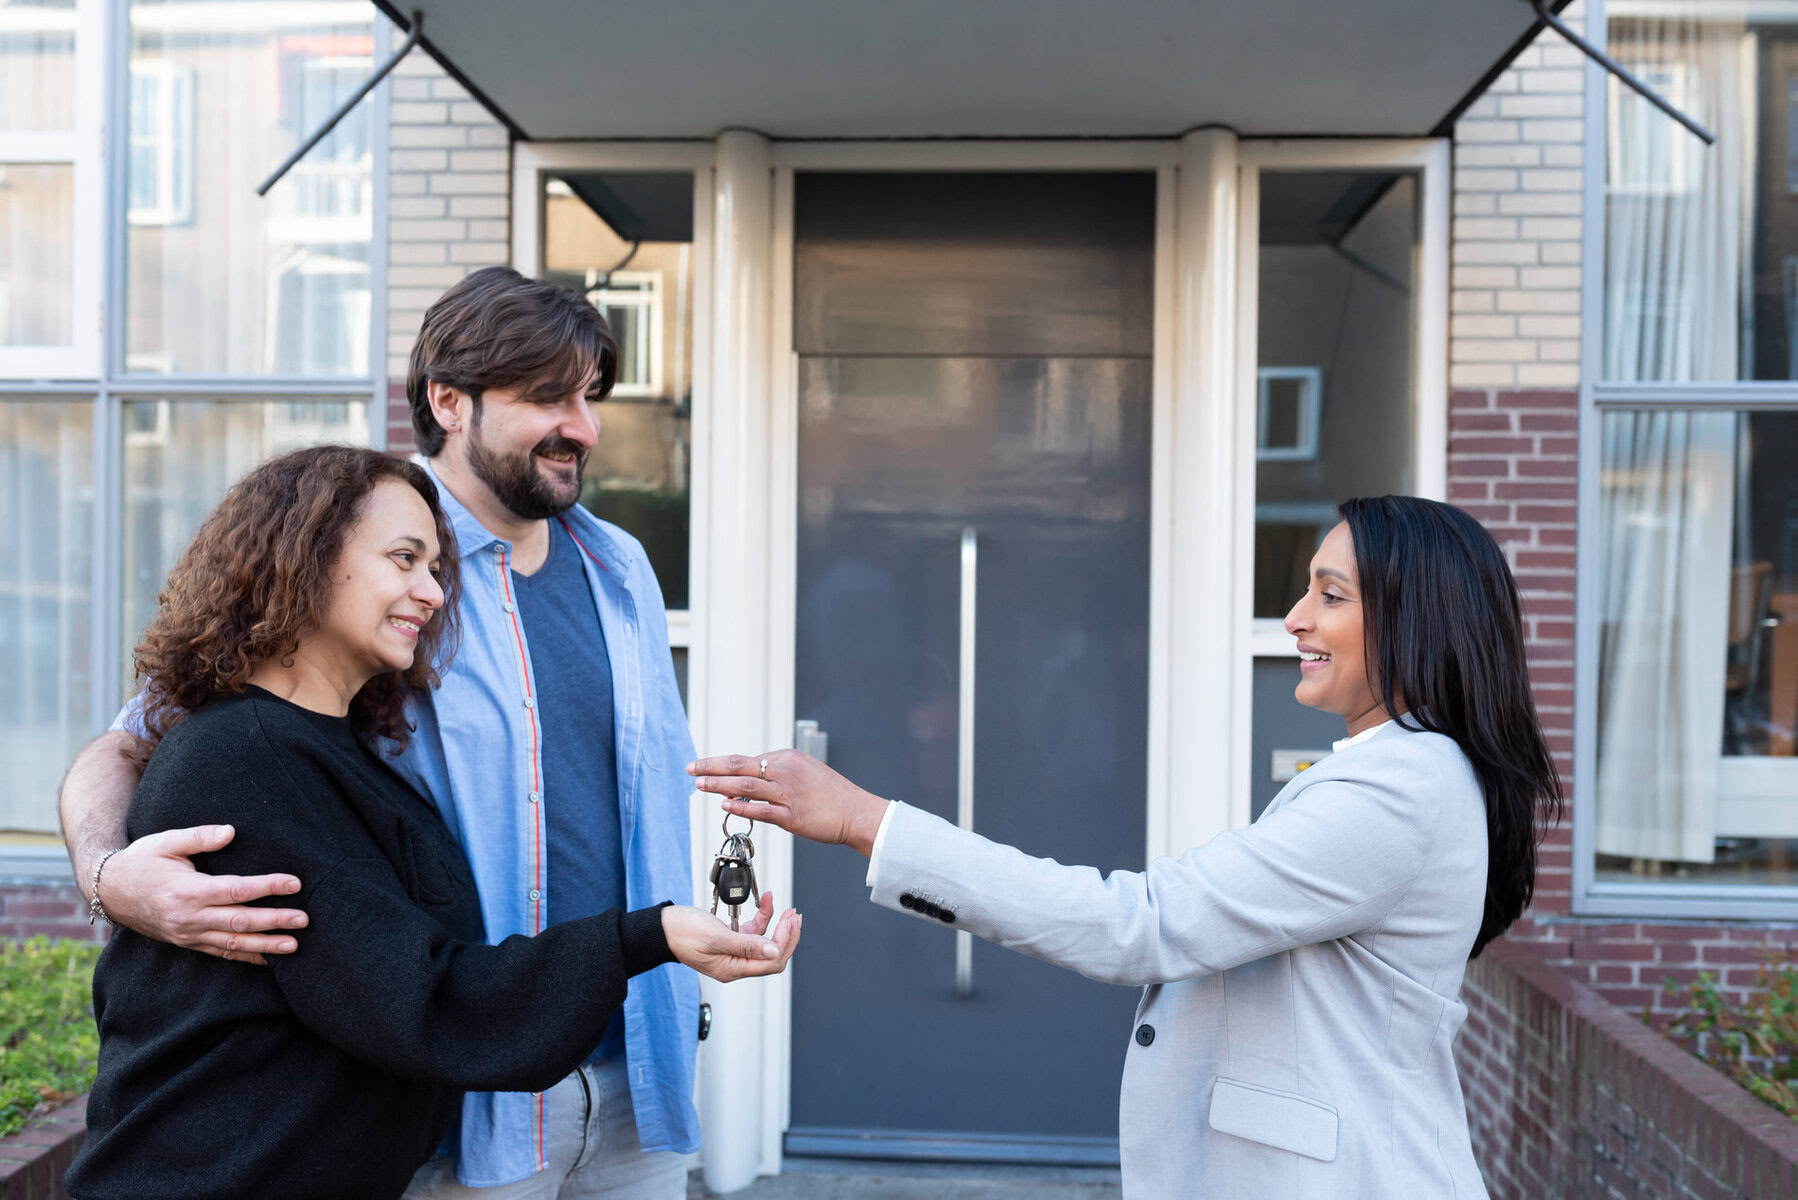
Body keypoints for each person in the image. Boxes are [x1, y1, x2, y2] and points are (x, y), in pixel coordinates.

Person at [689, 496, 1561, 1199]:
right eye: (1306, 589)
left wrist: (866, 821)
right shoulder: (1408, 771)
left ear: (1418, 618)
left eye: (1331, 596)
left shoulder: (1397, 787)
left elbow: (1141, 926)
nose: (1295, 617)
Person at [59, 268, 714, 1198]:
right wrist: (106, 874)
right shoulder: (350, 554)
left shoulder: (620, 568)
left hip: (636, 1060)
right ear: (451, 401)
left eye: (591, 396)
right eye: (548, 397)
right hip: (460, 1092)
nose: (585, 426)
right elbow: (137, 742)